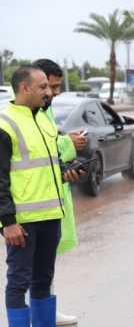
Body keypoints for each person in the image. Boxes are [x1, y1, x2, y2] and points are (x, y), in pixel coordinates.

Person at [0, 65, 81, 326]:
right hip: (21, 223)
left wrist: (65, 171)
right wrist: (8, 222)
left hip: (50, 216)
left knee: (43, 279)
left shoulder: (43, 120)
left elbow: (50, 163)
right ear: (25, 88)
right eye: (43, 87)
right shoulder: (5, 124)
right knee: (18, 282)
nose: (49, 92)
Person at [33, 58, 86, 326]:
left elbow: (50, 153)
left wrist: (67, 165)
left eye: (55, 88)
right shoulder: (29, 114)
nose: (53, 93)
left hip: (49, 198)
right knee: (29, 272)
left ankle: (47, 313)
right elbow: (41, 150)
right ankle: (37, 317)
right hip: (33, 206)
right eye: (49, 87)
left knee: (45, 266)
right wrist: (69, 143)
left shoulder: (46, 111)